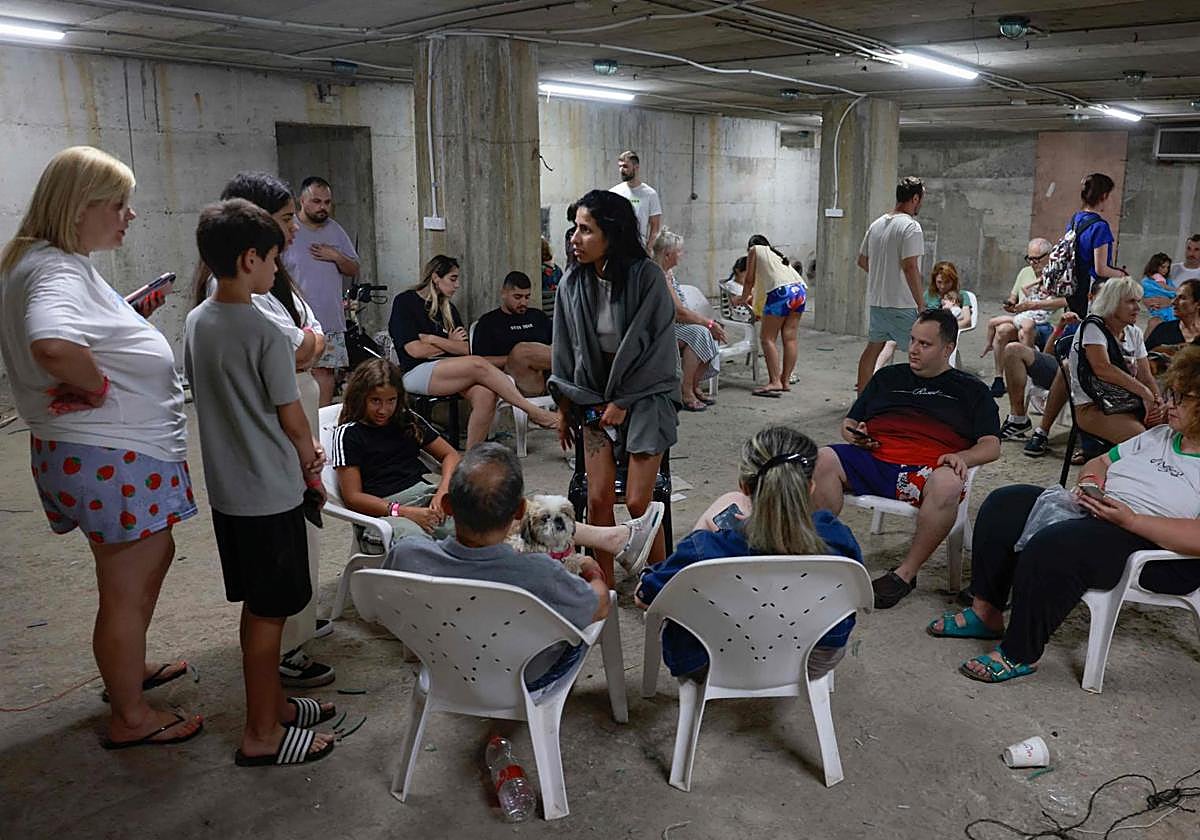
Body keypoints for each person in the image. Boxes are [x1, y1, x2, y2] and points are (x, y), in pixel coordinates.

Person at [0, 146, 202, 750]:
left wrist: (126, 319)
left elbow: (73, 332)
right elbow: (53, 344)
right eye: (117, 204)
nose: (129, 215)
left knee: (136, 570)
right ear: (76, 207)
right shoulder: (56, 271)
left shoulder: (42, 261)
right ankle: (131, 716)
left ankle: (127, 671)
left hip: (102, 453)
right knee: (123, 587)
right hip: (113, 452)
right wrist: (95, 385)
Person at [929, 346, 1200, 684]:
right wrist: (1090, 484)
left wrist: (1131, 520)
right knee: (1005, 504)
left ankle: (1020, 652)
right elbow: (1101, 461)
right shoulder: (1160, 436)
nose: (1169, 404)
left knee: (1055, 545)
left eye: (1182, 398)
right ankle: (987, 612)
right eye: (1170, 393)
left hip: (1154, 547)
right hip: (1103, 513)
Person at [185, 198, 335, 766]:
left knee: (258, 605)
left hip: (229, 493)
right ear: (250, 259)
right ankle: (261, 732)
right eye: (273, 258)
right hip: (271, 493)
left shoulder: (197, 321)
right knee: (271, 613)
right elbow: (291, 417)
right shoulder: (265, 331)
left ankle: (275, 706)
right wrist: (311, 460)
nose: (277, 268)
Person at [382, 444, 665, 689]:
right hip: (525, 676)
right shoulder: (538, 571)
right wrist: (590, 568)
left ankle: (615, 538)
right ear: (520, 511)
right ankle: (616, 540)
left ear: (447, 505)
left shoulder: (407, 555)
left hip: (445, 671)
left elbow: (382, 607)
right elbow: (599, 605)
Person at [636, 426, 864, 682]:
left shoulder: (705, 549)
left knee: (696, 563)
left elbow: (646, 598)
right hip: (814, 659)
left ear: (744, 486)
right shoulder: (838, 538)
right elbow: (855, 598)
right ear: (810, 486)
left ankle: (628, 538)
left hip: (713, 663)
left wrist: (655, 574)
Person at [812, 308, 1001, 608]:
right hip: (875, 459)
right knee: (821, 458)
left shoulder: (972, 390)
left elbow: (992, 445)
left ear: (947, 349)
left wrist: (962, 457)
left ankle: (905, 574)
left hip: (926, 471)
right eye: (912, 340)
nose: (913, 349)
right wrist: (855, 434)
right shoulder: (887, 377)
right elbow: (850, 422)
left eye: (924, 344)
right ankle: (821, 553)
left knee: (949, 484)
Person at [549, 189, 681, 585]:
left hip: (647, 393)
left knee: (640, 501)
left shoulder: (647, 278)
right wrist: (564, 407)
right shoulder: (572, 283)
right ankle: (602, 586)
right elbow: (564, 349)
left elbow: (660, 350)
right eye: (575, 229)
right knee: (597, 498)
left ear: (613, 233)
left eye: (586, 230)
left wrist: (623, 401)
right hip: (592, 394)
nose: (575, 239)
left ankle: (660, 584)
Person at [387, 255, 560, 449]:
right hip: (417, 371)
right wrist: (450, 343)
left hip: (452, 369)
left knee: (486, 394)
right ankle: (534, 412)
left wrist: (434, 340)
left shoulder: (448, 308)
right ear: (435, 277)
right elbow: (415, 350)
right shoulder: (406, 302)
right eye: (453, 279)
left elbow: (464, 348)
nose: (457, 285)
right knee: (477, 363)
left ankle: (472, 458)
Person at [331, 358, 458, 548]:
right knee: (416, 544)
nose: (383, 410)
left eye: (391, 401)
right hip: (384, 512)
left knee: (475, 524)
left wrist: (443, 492)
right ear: (360, 397)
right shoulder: (348, 434)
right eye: (375, 401)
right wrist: (403, 511)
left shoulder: (407, 421)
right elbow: (353, 497)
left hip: (424, 496)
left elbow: (451, 455)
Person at [281, 176, 360, 407]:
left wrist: (335, 256)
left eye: (327, 202)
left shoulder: (335, 230)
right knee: (296, 373)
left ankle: (321, 421)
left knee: (325, 373)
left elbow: (353, 268)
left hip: (330, 319)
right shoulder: (289, 230)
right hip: (295, 320)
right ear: (302, 201)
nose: (322, 207)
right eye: (316, 201)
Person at [1067, 275, 1161, 446]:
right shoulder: (1093, 327)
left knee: (1174, 428)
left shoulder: (1134, 332)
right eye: (1131, 302)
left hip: (1127, 401)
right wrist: (1145, 393)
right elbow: (1102, 368)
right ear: (1112, 302)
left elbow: (1146, 376)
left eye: (1138, 301)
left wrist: (1156, 402)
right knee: (1141, 442)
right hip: (1093, 405)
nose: (1137, 308)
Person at [855, 177, 926, 393]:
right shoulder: (911, 227)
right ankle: (920, 400)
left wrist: (884, 275)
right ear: (915, 198)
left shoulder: (876, 225)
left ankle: (863, 400)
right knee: (921, 353)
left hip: (878, 302)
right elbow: (910, 267)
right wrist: (921, 304)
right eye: (921, 199)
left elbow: (862, 261)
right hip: (903, 304)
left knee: (872, 350)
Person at [652, 229, 726, 411]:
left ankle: (693, 385)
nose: (682, 254)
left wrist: (709, 324)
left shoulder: (668, 273)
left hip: (672, 324)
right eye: (679, 251)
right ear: (667, 254)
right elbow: (679, 312)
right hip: (658, 328)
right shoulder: (658, 274)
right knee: (699, 333)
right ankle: (686, 392)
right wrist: (708, 323)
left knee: (706, 332)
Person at [982, 238, 1063, 396]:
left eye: (1037, 259)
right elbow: (1014, 296)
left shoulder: (1057, 274)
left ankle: (1028, 374)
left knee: (1025, 330)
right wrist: (1010, 303)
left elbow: (1065, 301)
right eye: (1029, 258)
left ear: (1049, 255)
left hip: (1045, 322)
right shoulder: (1025, 272)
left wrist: (1035, 305)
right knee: (1002, 330)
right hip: (1024, 316)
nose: (1032, 263)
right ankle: (999, 378)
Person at [731, 234, 807, 398]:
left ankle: (775, 381)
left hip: (781, 292)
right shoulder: (776, 258)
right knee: (790, 338)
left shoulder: (755, 250)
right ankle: (785, 380)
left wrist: (742, 299)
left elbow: (749, 280)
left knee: (767, 338)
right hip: (799, 290)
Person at [472, 270, 553, 397]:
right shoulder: (489, 322)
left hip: (548, 377)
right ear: (504, 293)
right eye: (517, 297)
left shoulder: (538, 317)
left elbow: (557, 346)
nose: (523, 302)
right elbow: (479, 362)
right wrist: (513, 359)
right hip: (512, 381)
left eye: (527, 297)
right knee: (522, 352)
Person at [1061, 173, 1127, 319]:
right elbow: (1101, 269)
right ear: (1104, 196)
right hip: (1091, 289)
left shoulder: (1075, 219)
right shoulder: (1100, 226)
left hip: (1073, 285)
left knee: (1075, 324)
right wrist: (1122, 275)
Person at [609, 150, 662, 255]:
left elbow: (655, 226)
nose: (621, 170)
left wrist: (649, 249)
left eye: (625, 166)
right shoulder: (613, 192)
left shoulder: (650, 194)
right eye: (620, 166)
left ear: (636, 167)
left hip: (639, 248)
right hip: (617, 248)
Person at [1147, 280, 1200, 352]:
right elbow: (1144, 356)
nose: (1173, 302)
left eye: (1182, 298)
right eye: (1175, 297)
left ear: (1198, 304)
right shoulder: (1163, 330)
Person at [1140, 252, 1176, 336]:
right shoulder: (1157, 277)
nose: (1165, 270)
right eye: (1163, 267)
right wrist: (1174, 291)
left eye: (1167, 267)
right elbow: (1163, 288)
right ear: (1155, 266)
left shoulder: (1167, 280)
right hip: (1158, 308)